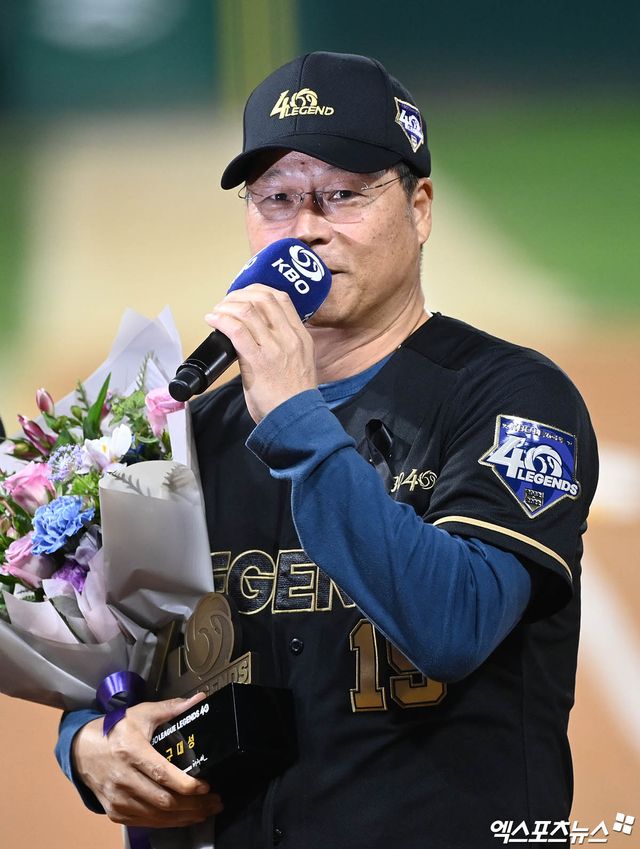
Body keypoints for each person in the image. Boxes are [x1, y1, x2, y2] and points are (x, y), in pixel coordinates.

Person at [56, 52, 598, 848]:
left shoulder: (510, 397)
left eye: (343, 193)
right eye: (276, 197)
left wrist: (296, 419)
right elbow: (117, 655)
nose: (305, 227)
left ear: (419, 208)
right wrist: (86, 743)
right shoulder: (194, 434)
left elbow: (453, 623)